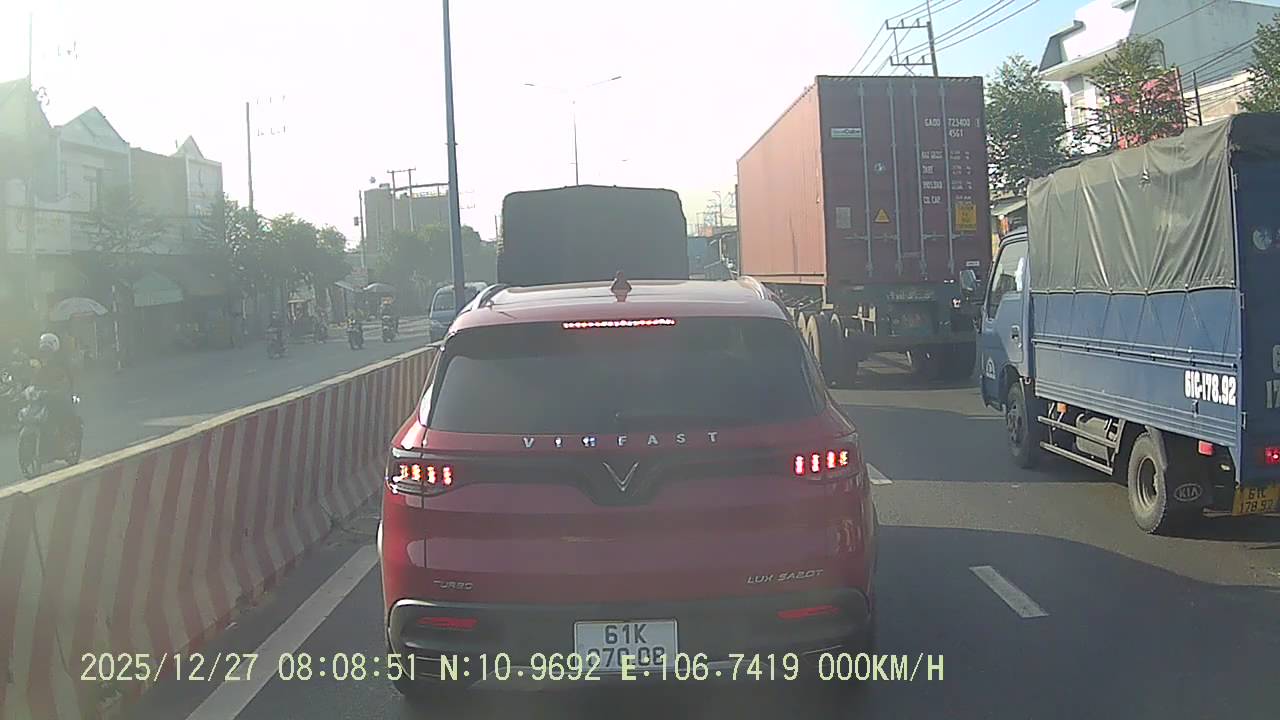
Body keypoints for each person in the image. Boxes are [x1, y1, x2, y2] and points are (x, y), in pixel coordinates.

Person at [31, 333, 76, 444]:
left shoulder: (61, 363)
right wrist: (29, 389)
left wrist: (58, 390)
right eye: (43, 353)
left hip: (58, 397)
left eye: (47, 353)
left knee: (62, 414)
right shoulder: (38, 364)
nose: (45, 356)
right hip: (43, 397)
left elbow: (66, 381)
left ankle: (65, 440)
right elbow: (34, 380)